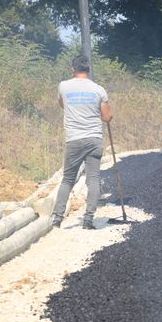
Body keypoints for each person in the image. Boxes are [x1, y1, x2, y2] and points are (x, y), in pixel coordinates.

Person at [51, 55, 112, 230]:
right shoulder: (99, 89)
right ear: (89, 69)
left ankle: (57, 219)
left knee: (68, 179)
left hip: (74, 139)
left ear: (73, 69)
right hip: (94, 138)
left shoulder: (63, 86)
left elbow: (63, 105)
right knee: (93, 179)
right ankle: (88, 220)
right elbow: (107, 117)